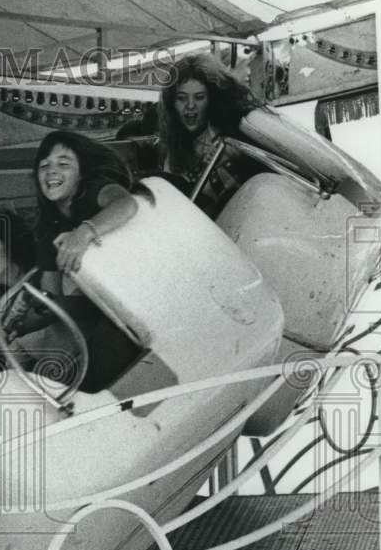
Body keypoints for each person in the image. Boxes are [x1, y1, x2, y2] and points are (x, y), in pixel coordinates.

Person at [29, 131, 145, 393]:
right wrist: (30, 318)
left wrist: (84, 233)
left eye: (63, 163)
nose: (51, 171)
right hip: (111, 300)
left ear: (81, 172)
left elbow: (125, 203)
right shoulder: (48, 226)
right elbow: (53, 294)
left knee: (101, 367)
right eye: (44, 166)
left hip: (140, 286)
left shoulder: (92, 190)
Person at [157, 53, 267, 216]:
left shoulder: (235, 131)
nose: (190, 106)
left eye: (199, 97)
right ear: (172, 104)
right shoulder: (172, 154)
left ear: (212, 99)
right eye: (181, 98)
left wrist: (238, 155)